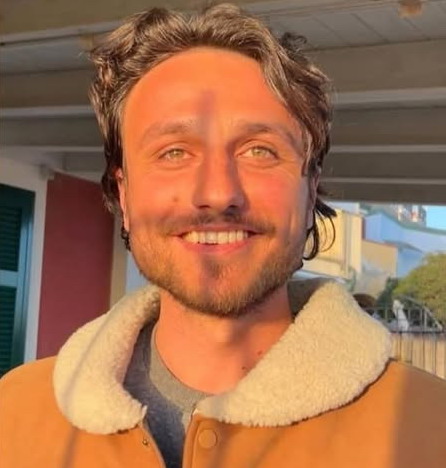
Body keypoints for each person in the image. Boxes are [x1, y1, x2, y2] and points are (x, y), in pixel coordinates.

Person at [1, 4, 445, 468]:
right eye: (174, 152)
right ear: (125, 195)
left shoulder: (430, 430)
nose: (217, 193)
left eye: (259, 150)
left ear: (310, 189)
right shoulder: (13, 415)